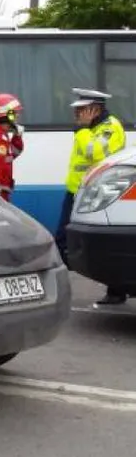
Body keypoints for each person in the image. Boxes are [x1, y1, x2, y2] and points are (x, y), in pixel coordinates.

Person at [55, 88, 127, 306]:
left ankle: (116, 291)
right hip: (77, 191)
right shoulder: (89, 128)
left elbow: (93, 152)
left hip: (100, 195)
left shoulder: (110, 128)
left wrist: (83, 130)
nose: (76, 115)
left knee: (105, 243)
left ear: (94, 110)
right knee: (62, 239)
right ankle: (60, 287)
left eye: (81, 110)